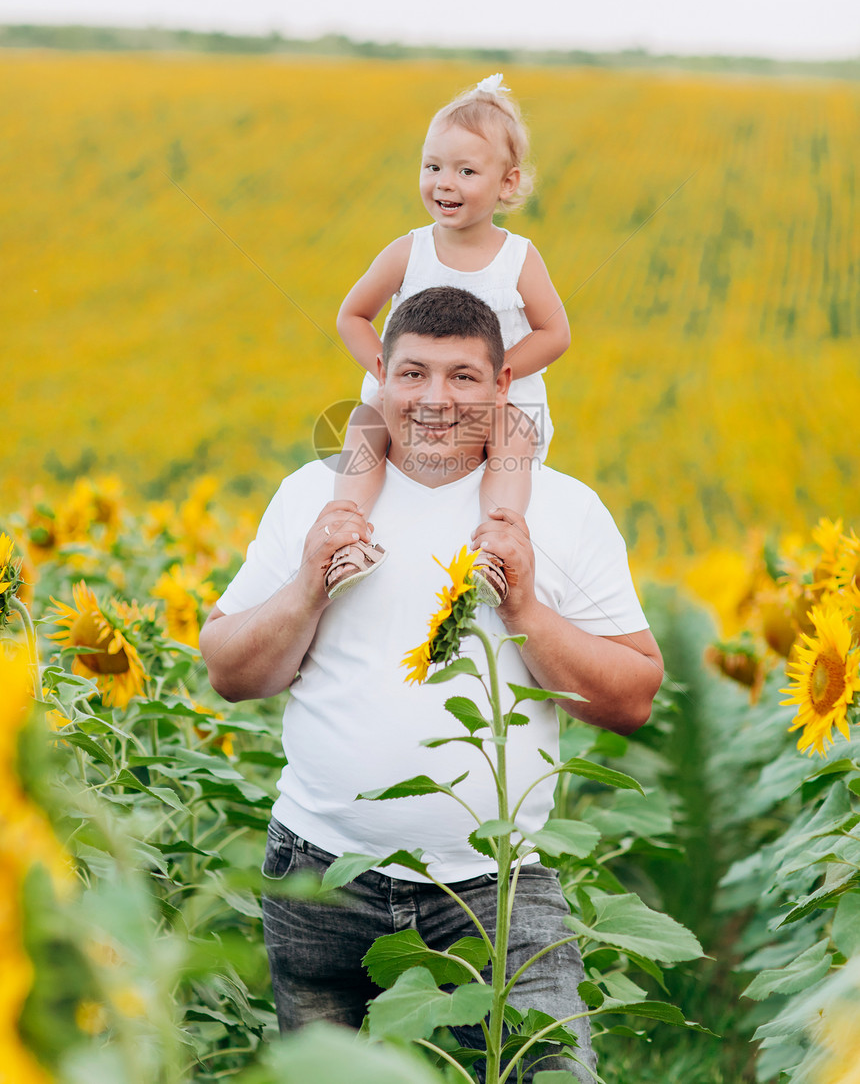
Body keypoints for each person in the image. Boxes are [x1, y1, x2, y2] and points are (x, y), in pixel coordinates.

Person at [200, 286, 663, 1083]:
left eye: (462, 377)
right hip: (320, 881)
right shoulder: (314, 497)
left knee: (554, 1072)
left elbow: (633, 698)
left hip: (499, 893)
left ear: (503, 387)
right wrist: (308, 589)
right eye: (413, 374)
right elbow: (230, 672)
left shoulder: (562, 511)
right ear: (379, 376)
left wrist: (523, 608)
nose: (436, 400)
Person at [323, 73, 571, 607]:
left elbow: (556, 334)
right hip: (414, 399)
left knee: (511, 437)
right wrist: (389, 378)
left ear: (507, 183)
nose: (444, 183)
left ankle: (497, 545)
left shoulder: (518, 258)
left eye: (465, 171)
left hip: (496, 401)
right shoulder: (407, 251)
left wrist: (493, 382)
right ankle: (349, 531)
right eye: (432, 167)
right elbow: (353, 315)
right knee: (363, 422)